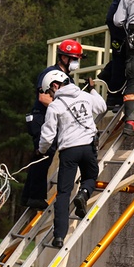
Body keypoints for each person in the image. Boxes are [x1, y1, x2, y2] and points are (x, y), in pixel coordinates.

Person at [37, 71, 106, 247]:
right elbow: (102, 107)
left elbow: (48, 135)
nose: (50, 96)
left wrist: (41, 150)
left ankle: (59, 237)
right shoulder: (84, 95)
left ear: (54, 86)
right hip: (88, 148)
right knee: (90, 177)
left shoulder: (55, 106)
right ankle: (83, 193)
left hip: (69, 151)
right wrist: (92, 90)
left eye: (49, 92)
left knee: (64, 193)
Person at [22, 39, 83, 210]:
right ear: (63, 57)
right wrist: (65, 109)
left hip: (51, 120)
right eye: (74, 58)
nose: (76, 62)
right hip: (41, 119)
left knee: (39, 158)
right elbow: (43, 97)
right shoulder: (50, 73)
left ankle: (28, 196)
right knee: (43, 156)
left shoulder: (67, 78)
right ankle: (36, 197)